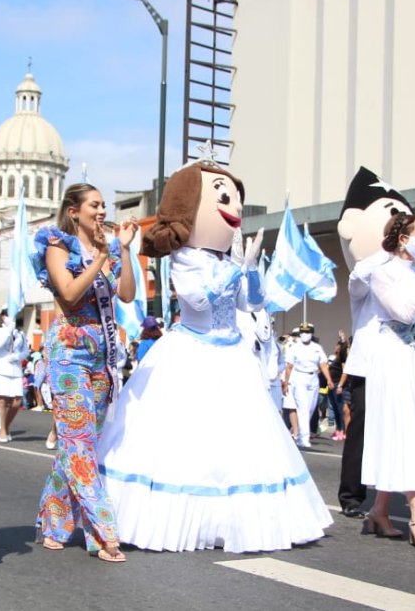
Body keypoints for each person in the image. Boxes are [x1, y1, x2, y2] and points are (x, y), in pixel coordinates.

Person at [98, 161, 331, 553]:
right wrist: (235, 270)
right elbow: (198, 299)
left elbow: (252, 303)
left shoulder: (226, 262)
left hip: (233, 356)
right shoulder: (185, 258)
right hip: (191, 353)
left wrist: (251, 270)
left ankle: (231, 521)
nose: (234, 207)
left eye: (236, 199)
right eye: (224, 197)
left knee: (237, 443)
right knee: (188, 440)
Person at [334, 166, 415, 523]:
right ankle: (353, 495)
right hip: (371, 358)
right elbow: (357, 284)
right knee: (363, 427)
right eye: (414, 232)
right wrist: (382, 254)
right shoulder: (373, 269)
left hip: (408, 359)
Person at [32, 182, 137, 563]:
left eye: (104, 204)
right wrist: (100, 258)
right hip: (69, 353)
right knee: (79, 444)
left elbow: (127, 295)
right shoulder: (58, 245)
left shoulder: (110, 248)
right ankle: (104, 533)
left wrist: (124, 250)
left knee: (80, 444)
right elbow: (70, 292)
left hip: (102, 355)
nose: (102, 211)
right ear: (74, 211)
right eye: (94, 205)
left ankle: (53, 524)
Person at [361, 213, 415, 549]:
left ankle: (379, 511)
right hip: (394, 356)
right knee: (405, 427)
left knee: (413, 429)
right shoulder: (383, 273)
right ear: (402, 238)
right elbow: (404, 312)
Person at [281, 322, 333, 448]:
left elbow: (323, 364)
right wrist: (286, 383)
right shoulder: (294, 347)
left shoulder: (317, 348)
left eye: (307, 332)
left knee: (310, 408)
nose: (305, 334)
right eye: (303, 332)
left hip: (313, 378)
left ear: (312, 333)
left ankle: (299, 434)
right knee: (303, 408)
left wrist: (329, 379)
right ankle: (303, 439)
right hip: (299, 377)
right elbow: (289, 366)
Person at [0, 311, 27, 443]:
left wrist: (17, 356)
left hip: (15, 370)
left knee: (17, 401)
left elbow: (25, 351)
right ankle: (3, 430)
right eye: (8, 315)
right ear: (3, 317)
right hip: (0, 368)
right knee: (2, 401)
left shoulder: (20, 333)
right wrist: (8, 330)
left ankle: (5, 425)